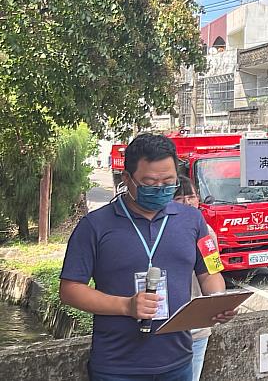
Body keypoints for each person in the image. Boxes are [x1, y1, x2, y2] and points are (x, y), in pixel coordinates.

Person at [59, 133, 236, 381]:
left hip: (179, 361)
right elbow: (70, 289)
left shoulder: (193, 220)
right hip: (117, 367)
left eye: (169, 182)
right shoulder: (95, 226)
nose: (161, 190)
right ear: (127, 179)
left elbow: (210, 271)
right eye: (151, 183)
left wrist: (218, 301)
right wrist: (126, 306)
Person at [173, 175, 215, 381]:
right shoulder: (158, 233)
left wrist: (219, 299)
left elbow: (213, 273)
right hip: (165, 330)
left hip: (197, 331)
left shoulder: (207, 233)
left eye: (191, 197)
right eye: (179, 198)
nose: (187, 203)